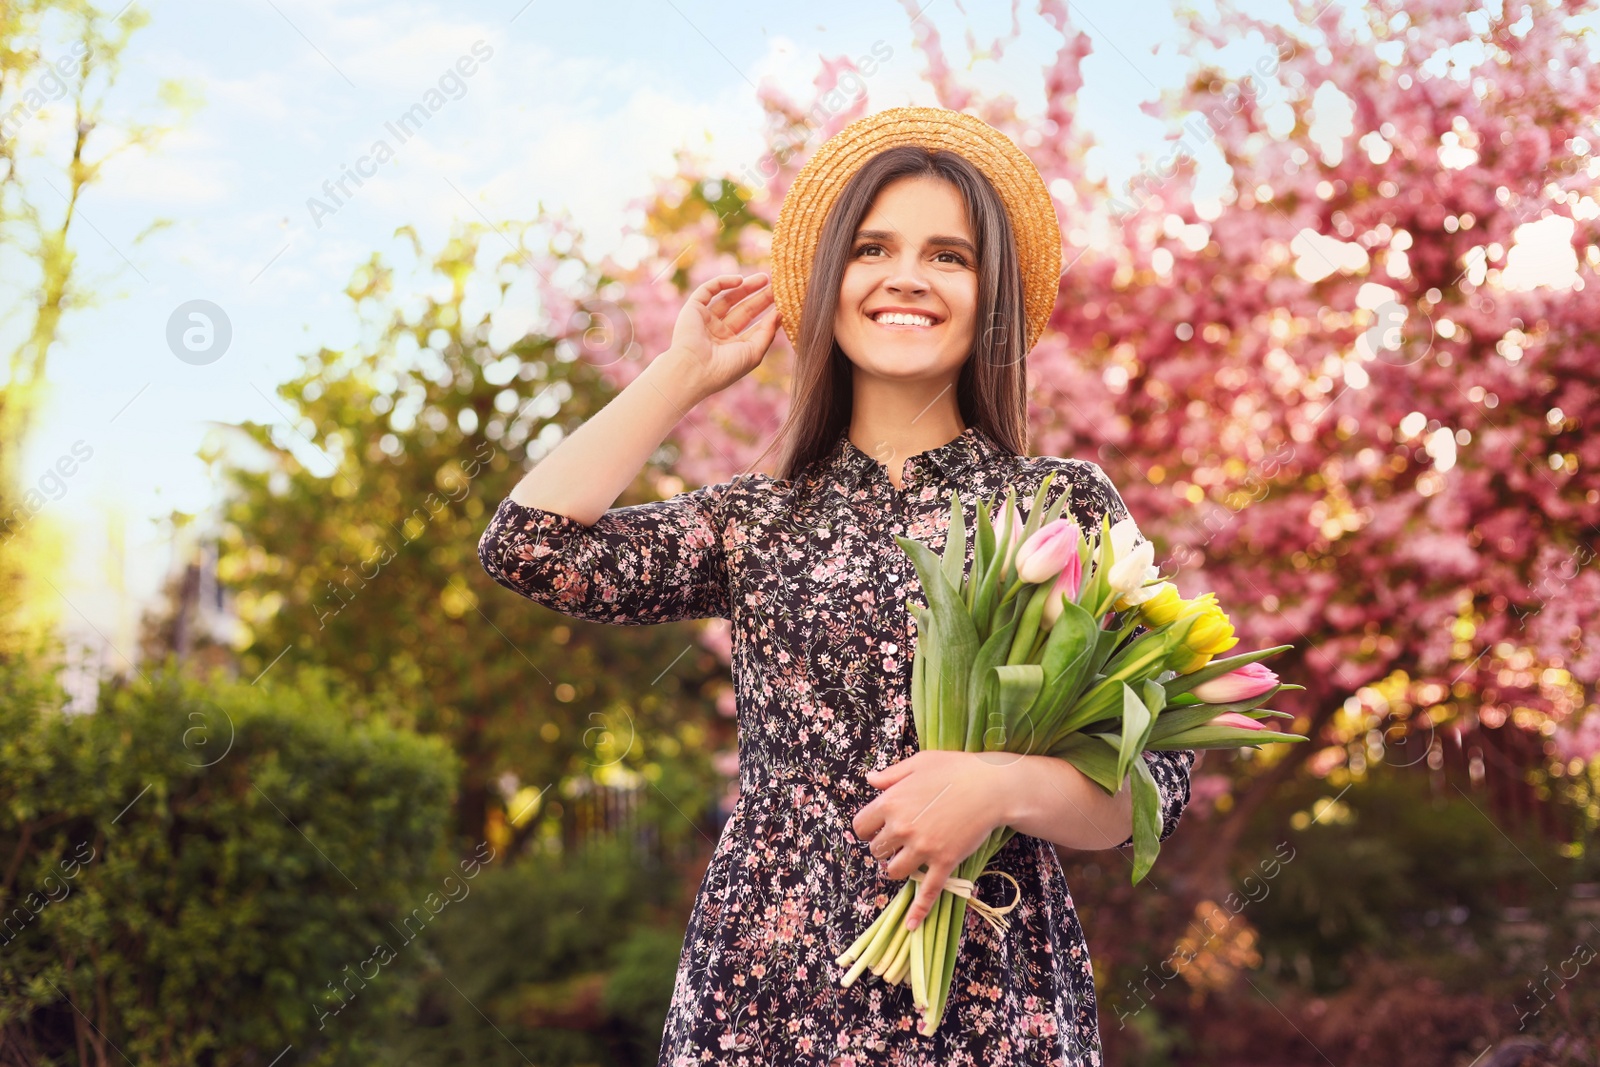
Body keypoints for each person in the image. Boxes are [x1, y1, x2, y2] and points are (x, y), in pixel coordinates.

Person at [477, 105, 1196, 1066]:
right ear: (831, 288)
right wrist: (682, 372)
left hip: (989, 997)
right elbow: (527, 545)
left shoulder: (1059, 506)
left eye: (949, 255)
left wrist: (995, 784)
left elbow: (1149, 783)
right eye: (872, 248)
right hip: (767, 989)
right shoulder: (756, 520)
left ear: (992, 296)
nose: (906, 276)